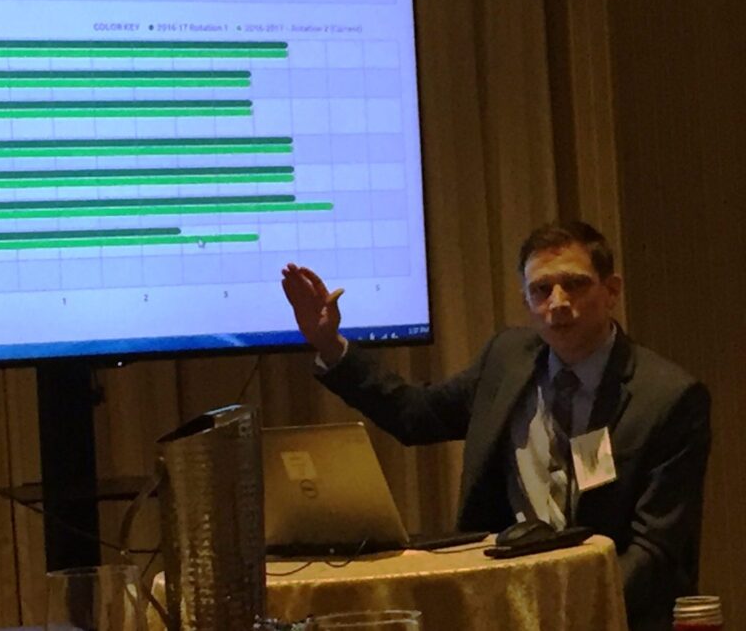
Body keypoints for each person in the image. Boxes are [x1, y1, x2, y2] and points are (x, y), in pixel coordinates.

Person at [281, 221, 710, 631]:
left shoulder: (667, 398)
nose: (558, 302)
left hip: (611, 615)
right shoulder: (506, 360)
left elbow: (655, 552)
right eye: (541, 290)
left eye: (575, 284)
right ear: (526, 301)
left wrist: (567, 613)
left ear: (611, 290)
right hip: (507, 605)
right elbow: (415, 416)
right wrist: (330, 345)